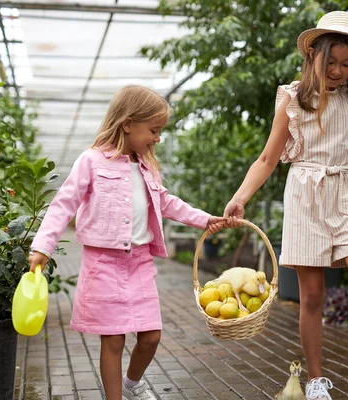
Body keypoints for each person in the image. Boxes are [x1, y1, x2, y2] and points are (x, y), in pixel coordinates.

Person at [222, 11, 348, 400]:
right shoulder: (292, 99)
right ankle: (317, 380)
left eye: (346, 64)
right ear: (314, 57)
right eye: (331, 62)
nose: (338, 71)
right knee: (313, 296)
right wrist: (240, 198)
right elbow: (268, 158)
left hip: (346, 191)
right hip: (305, 195)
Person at [28, 85, 224, 400]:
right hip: (103, 264)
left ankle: (132, 383)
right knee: (113, 341)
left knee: (151, 337)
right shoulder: (91, 161)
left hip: (140, 263)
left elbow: (166, 203)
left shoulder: (147, 168)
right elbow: (63, 204)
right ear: (128, 123)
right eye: (154, 130)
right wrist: (42, 247)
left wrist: (204, 219)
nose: (158, 138)